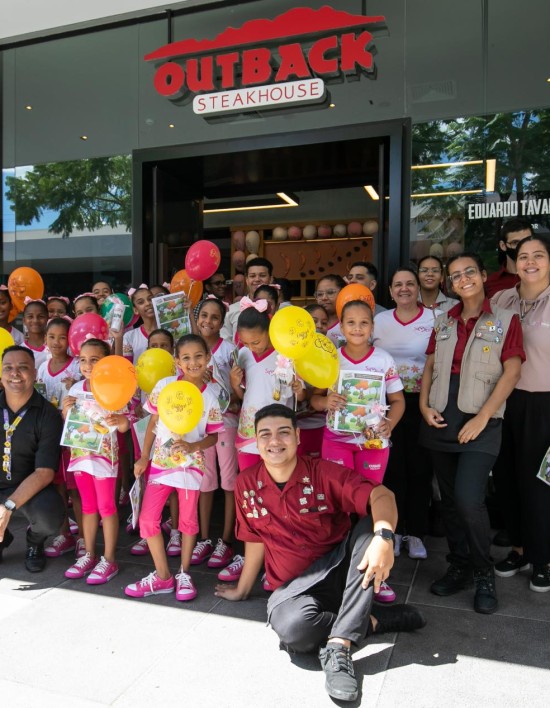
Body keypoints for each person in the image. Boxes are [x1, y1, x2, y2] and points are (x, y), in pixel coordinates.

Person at [214, 404, 425, 703]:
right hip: (293, 591)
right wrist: (243, 589)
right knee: (293, 631)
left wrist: (384, 536)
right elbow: (254, 539)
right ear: (256, 440)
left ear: (298, 436)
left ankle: (339, 647)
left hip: (340, 575)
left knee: (370, 529)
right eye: (265, 434)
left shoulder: (322, 473)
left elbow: (381, 495)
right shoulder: (246, 483)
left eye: (283, 432)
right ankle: (371, 621)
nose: (275, 441)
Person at [419, 252, 524, 614]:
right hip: (440, 419)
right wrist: (422, 407)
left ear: (482, 275)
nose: (463, 279)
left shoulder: (506, 318)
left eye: (470, 272)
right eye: (456, 275)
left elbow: (511, 372)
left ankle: (483, 572)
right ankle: (459, 564)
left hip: (482, 421)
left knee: (468, 499)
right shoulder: (443, 322)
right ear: (450, 284)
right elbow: (430, 366)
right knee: (448, 502)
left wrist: (483, 418)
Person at [311, 299, 405, 603]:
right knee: (338, 503)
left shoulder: (383, 359)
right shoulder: (331, 360)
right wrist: (326, 403)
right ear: (341, 325)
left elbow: (399, 401)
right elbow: (314, 400)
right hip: (336, 440)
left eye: (364, 322)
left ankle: (375, 571)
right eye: (350, 322)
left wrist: (390, 424)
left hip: (372, 443)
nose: (357, 328)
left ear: (372, 327)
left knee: (371, 503)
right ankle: (339, 569)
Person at [126, 334, 224, 601]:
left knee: (188, 521)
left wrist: (194, 447)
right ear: (177, 361)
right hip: (160, 463)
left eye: (199, 356)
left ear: (207, 358)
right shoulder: (165, 386)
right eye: (187, 358)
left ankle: (183, 573)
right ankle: (162, 577)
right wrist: (144, 457)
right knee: (147, 520)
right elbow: (153, 424)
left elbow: (214, 435)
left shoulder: (211, 397)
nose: (193, 362)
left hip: (191, 468)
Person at [491, 235, 550, 592]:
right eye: (523, 256)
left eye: (538, 255)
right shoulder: (502, 299)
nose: (529, 262)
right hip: (506, 400)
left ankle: (543, 558)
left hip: (545, 404)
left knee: (541, 484)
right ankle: (519, 549)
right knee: (508, 479)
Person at [373, 268, 437, 559]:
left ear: (418, 287)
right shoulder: (379, 321)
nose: (404, 289)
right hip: (386, 404)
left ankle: (417, 534)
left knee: (421, 470)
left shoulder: (434, 319)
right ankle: (395, 532)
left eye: (410, 283)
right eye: (398, 284)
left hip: (422, 402)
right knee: (393, 469)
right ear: (390, 291)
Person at [62, 339, 129, 585]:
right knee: (88, 507)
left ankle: (109, 559)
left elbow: (125, 426)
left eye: (95, 359)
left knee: (107, 507)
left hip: (103, 459)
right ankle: (89, 554)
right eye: (83, 360)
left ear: (106, 361)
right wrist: (65, 409)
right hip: (80, 457)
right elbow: (68, 420)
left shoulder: (114, 388)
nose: (88, 365)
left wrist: (118, 419)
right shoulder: (75, 389)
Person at [0, 346, 64, 572]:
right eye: (8, 368)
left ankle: (34, 542)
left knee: (50, 516)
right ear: (1, 373)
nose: (15, 373)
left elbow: (44, 472)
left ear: (35, 373)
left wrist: (7, 506)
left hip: (29, 487)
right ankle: (2, 536)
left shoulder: (48, 414)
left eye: (23, 368)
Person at [190, 297, 239, 570]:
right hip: (199, 425)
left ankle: (226, 539)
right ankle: (204, 537)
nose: (208, 321)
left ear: (222, 323)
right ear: (197, 318)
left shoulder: (230, 350)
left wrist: (218, 383)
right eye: (204, 316)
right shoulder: (189, 347)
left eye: (214, 317)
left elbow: (236, 390)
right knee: (205, 480)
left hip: (227, 423)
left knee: (229, 482)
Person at [36, 317, 83, 559]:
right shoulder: (43, 367)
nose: (56, 342)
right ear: (45, 339)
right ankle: (65, 534)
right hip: (50, 435)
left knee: (76, 489)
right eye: (51, 337)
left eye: (62, 337)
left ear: (71, 340)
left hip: (73, 438)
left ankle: (84, 539)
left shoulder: (77, 366)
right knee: (58, 487)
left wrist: (77, 384)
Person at [222, 258, 273, 342]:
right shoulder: (231, 310)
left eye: (262, 275)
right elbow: (226, 343)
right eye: (252, 276)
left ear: (270, 279)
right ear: (247, 280)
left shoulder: (280, 310)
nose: (257, 279)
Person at [484, 218, 533, 298]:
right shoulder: (489, 283)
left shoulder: (545, 277)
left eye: (527, 241)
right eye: (515, 242)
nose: (522, 246)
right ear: (503, 246)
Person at [314, 274, 346, 347]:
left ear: (343, 293)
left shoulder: (351, 322)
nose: (324, 298)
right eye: (320, 294)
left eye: (330, 293)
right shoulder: (307, 319)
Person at [21, 297, 49, 370]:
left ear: (47, 319)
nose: (35, 320)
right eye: (30, 317)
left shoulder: (55, 346)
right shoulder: (21, 350)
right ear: (24, 320)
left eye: (41, 316)